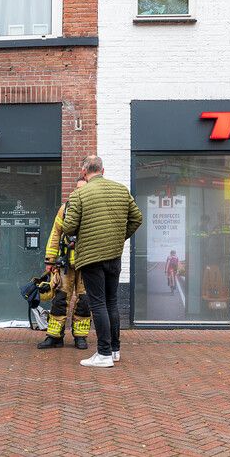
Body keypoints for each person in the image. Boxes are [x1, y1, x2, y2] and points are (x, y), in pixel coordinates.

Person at [62, 156, 142, 368]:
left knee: (97, 304)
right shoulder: (121, 190)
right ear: (103, 170)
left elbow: (68, 227)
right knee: (112, 302)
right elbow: (137, 218)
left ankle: (104, 354)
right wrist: (118, 238)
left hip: (90, 257)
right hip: (114, 256)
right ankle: (115, 350)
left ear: (83, 172)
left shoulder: (79, 194)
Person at [39, 177, 91, 350]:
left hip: (87, 264)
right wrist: (50, 260)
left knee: (85, 301)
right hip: (65, 265)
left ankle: (80, 337)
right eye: (76, 189)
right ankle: (54, 336)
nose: (78, 192)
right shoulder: (65, 209)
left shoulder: (94, 209)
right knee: (60, 299)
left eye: (83, 189)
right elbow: (55, 234)